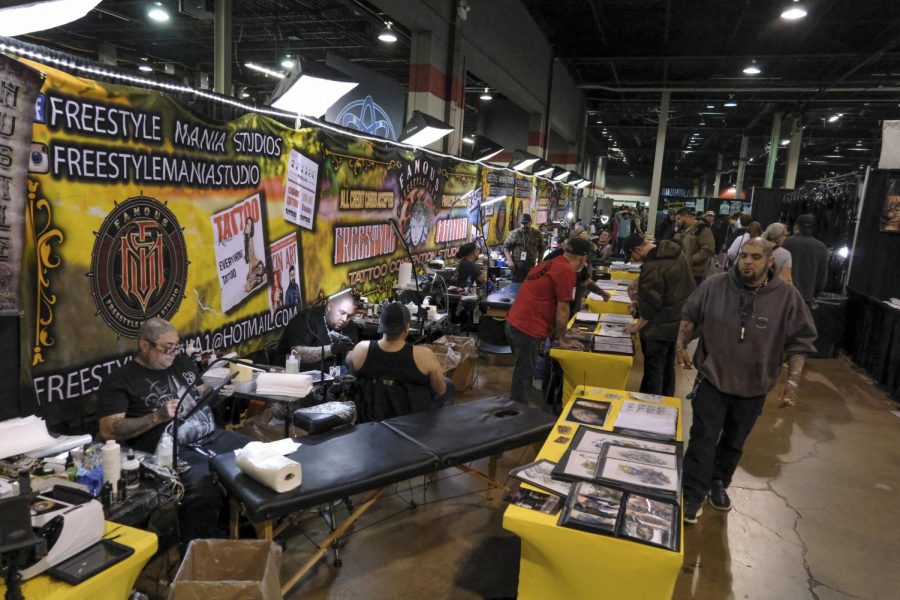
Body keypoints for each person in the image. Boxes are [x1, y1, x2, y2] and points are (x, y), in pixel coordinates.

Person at [675, 237, 817, 524]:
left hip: (754, 385)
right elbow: (690, 315)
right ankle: (692, 493)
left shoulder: (787, 297)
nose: (747, 262)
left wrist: (792, 384)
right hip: (712, 379)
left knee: (734, 441)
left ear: (769, 262)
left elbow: (800, 342)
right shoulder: (715, 285)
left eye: (755, 257)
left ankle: (718, 484)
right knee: (703, 436)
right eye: (743, 256)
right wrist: (681, 345)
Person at [97, 318, 250, 543]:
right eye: (166, 348)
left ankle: (241, 528)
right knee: (203, 483)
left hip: (205, 435)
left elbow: (199, 393)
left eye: (176, 346)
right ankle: (199, 550)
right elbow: (109, 430)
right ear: (144, 346)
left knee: (253, 454)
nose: (173, 353)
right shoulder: (120, 381)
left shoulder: (182, 363)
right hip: (165, 450)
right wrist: (156, 416)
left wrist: (218, 391)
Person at [505, 237, 591, 405]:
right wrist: (562, 339)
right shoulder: (566, 271)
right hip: (526, 328)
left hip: (514, 323)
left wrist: (563, 331)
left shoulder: (550, 263)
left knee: (523, 372)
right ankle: (517, 417)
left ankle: (521, 408)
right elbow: (562, 309)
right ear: (583, 258)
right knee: (523, 375)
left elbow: (546, 301)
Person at [621, 234, 696, 397]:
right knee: (668, 366)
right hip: (677, 321)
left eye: (632, 256)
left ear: (638, 249)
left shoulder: (653, 267)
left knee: (654, 369)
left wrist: (637, 326)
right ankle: (666, 404)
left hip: (659, 327)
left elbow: (651, 306)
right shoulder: (676, 253)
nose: (633, 261)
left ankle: (651, 406)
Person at [346, 302, 454, 412]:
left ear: (380, 323)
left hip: (370, 418)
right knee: (448, 385)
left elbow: (352, 376)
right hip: (410, 420)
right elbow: (440, 391)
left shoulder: (360, 349)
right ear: (407, 328)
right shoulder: (424, 355)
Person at [278, 290, 358, 371]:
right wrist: (332, 349)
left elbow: (350, 353)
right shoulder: (306, 319)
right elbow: (297, 353)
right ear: (329, 306)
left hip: (333, 374)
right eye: (342, 313)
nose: (344, 319)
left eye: (349, 316)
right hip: (299, 374)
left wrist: (352, 360)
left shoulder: (349, 324)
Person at [544, 233, 611, 313]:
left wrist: (602, 293)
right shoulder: (552, 259)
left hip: (571, 306)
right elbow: (562, 308)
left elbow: (586, 281)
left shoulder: (578, 262)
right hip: (552, 309)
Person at [782, 214, 828, 302]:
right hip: (807, 296)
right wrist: (815, 294)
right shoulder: (821, 247)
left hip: (787, 294)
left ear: (796, 226)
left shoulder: (788, 242)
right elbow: (822, 275)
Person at [673, 208, 717, 285]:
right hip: (681, 270)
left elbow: (707, 249)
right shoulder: (681, 230)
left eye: (678, 219)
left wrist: (691, 260)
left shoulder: (702, 229)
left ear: (686, 217)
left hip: (695, 273)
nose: (677, 221)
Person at [503, 213, 544, 282]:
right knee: (516, 288)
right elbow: (506, 248)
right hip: (517, 267)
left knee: (529, 287)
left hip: (531, 266)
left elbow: (541, 249)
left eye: (525, 223)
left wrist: (539, 264)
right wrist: (509, 261)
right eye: (522, 223)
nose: (523, 225)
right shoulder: (514, 233)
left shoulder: (537, 234)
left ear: (531, 222)